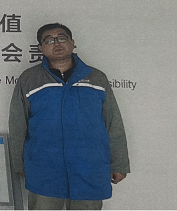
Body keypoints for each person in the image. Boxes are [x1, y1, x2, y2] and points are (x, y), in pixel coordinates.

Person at [8, 23, 130, 210]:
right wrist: (19, 164)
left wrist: (119, 163)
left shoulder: (96, 78)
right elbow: (18, 124)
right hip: (44, 166)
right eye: (49, 40)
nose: (56, 43)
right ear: (40, 48)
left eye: (62, 38)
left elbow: (113, 122)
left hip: (89, 166)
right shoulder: (29, 79)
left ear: (72, 43)